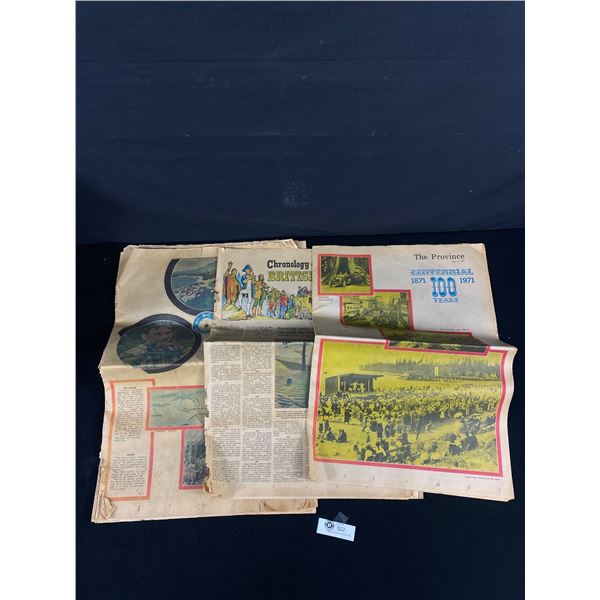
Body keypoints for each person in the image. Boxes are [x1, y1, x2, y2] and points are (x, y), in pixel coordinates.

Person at [120, 325, 187, 368]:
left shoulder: (179, 348)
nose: (164, 337)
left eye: (167, 333)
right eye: (158, 334)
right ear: (145, 336)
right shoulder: (136, 351)